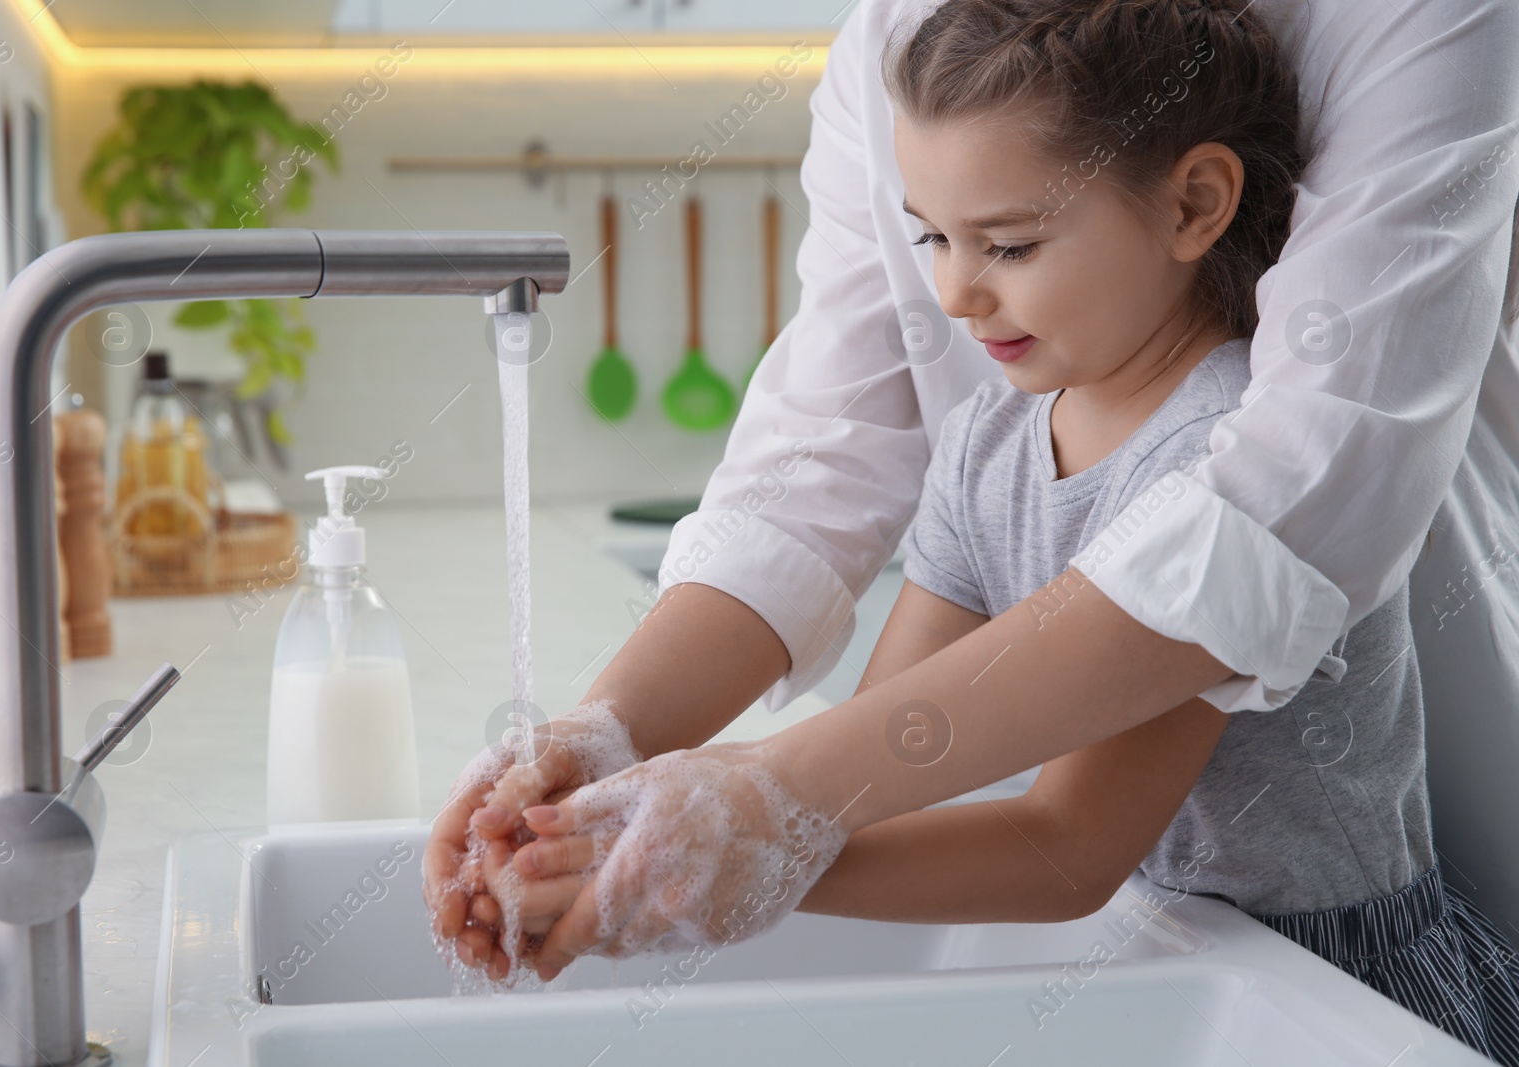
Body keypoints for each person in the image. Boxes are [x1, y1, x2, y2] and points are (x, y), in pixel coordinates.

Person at [426, 0, 1519, 1022]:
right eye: (930, 239)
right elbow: (858, 726)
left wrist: (750, 854)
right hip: (1158, 950)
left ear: (1193, 204)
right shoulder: (989, 444)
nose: (951, 296)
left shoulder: (1201, 453)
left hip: (1336, 982)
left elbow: (1067, 843)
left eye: (1009, 244)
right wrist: (613, 782)